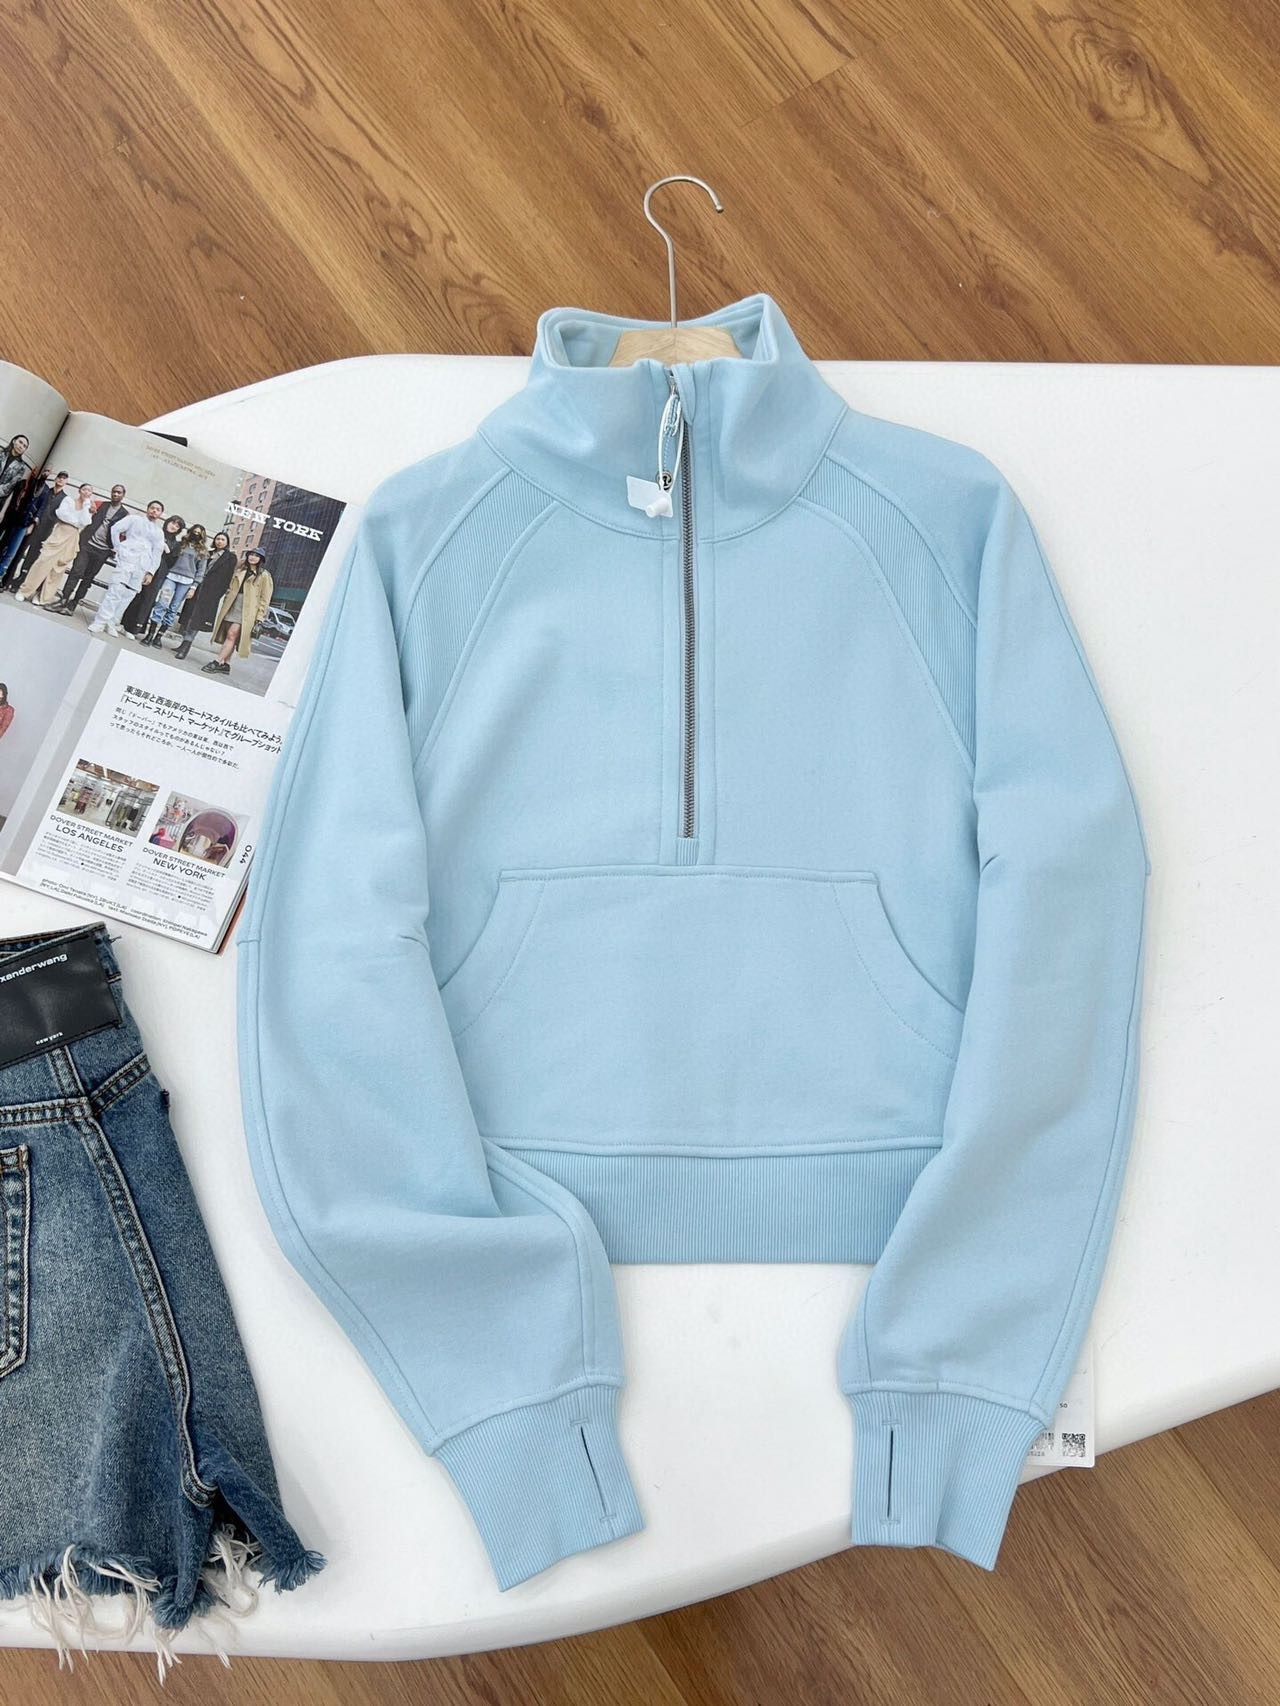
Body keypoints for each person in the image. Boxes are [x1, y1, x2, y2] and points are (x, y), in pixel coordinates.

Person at [88, 500, 167, 636]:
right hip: (127, 559)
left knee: (129, 594)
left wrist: (150, 572)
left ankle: (112, 622)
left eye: (157, 509)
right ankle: (100, 621)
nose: (154, 511)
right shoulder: (134, 519)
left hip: (142, 565)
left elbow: (157, 553)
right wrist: (118, 547)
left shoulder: (159, 532)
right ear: (147, 509)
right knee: (115, 591)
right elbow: (115, 529)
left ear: (160, 514)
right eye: (152, 508)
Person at [49, 483, 128, 615]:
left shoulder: (125, 514)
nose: (115, 494)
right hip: (87, 544)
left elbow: (125, 534)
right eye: (114, 491)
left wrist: (117, 547)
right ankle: (63, 599)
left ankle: (73, 604)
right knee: (76, 571)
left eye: (118, 492)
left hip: (103, 550)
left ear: (123, 495)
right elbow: (84, 512)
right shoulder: (100, 504)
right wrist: (89, 509)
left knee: (88, 578)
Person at [15, 482, 96, 607]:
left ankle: (43, 596)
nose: (86, 492)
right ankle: (25, 590)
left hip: (72, 537)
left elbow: (85, 522)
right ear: (79, 490)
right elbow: (62, 514)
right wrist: (76, 522)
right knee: (42, 562)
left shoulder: (88, 507)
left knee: (58, 568)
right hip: (60, 533)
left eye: (89, 491)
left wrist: (86, 505)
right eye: (84, 489)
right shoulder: (68, 500)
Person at [202, 548, 272, 676]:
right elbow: (230, 586)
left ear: (261, 559)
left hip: (247, 610)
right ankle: (226, 664)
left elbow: (265, 599)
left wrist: (260, 618)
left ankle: (217, 662)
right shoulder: (241, 570)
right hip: (232, 604)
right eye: (251, 554)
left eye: (256, 556)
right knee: (230, 637)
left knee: (232, 634)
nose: (252, 557)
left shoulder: (264, 575)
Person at [0, 470, 68, 591]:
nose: (61, 479)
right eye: (59, 477)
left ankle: (20, 582)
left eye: (64, 478)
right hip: (31, 527)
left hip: (45, 531)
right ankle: (7, 580)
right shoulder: (45, 490)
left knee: (33, 556)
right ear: (56, 478)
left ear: (66, 482)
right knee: (18, 552)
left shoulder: (65, 499)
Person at [142, 523, 207, 647]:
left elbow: (201, 571)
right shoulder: (181, 544)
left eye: (199, 533)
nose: (196, 534)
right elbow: (170, 557)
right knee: (162, 603)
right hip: (171, 576)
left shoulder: (202, 551)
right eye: (194, 531)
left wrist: (194, 587)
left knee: (173, 608)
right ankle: (150, 634)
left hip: (187, 582)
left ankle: (159, 637)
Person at [175, 529, 235, 659]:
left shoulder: (230, 557)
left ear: (227, 542)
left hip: (210, 594)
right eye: (217, 539)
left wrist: (217, 595)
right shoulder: (208, 553)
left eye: (222, 540)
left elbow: (227, 578)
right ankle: (183, 644)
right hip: (197, 588)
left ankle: (185, 648)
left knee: (197, 621)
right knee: (188, 617)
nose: (219, 541)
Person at [123, 512, 183, 637]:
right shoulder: (155, 533)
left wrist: (167, 550)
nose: (173, 526)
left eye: (177, 526)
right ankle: (123, 622)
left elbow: (172, 562)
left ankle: (135, 628)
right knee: (133, 594)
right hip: (143, 566)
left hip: (159, 574)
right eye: (172, 523)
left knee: (147, 600)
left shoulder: (177, 545)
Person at [0, 435, 32, 534]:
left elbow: (10, 487)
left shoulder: (21, 467)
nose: (21, 446)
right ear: (14, 441)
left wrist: (2, 512)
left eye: (24, 446)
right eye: (20, 442)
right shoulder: (1, 454)